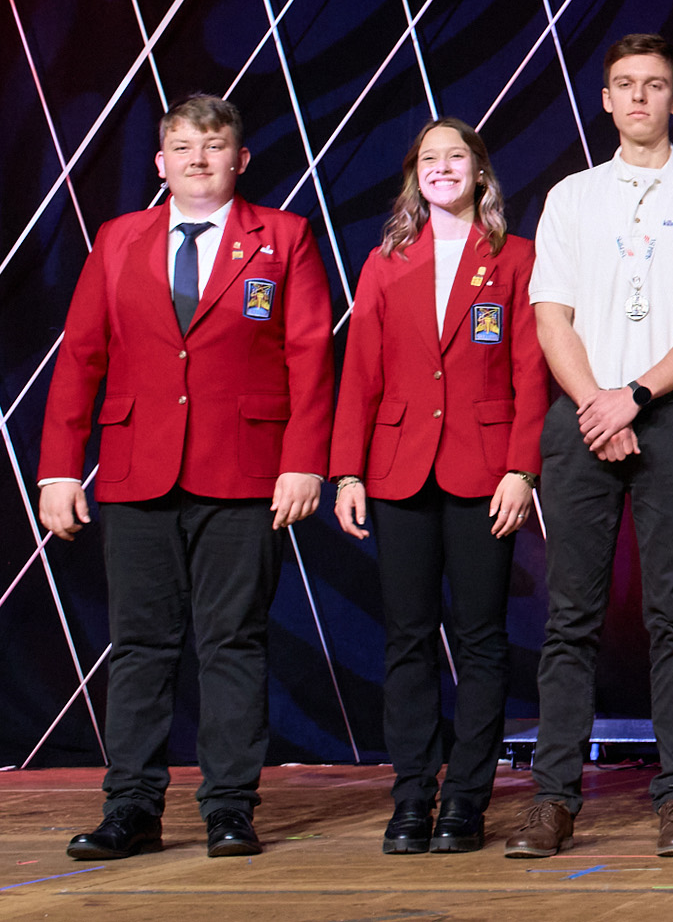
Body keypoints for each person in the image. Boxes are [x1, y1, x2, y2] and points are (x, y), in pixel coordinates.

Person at [37, 94, 333, 860]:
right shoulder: (118, 238)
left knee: (233, 642)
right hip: (139, 470)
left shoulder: (285, 237)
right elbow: (81, 358)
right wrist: (60, 469)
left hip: (245, 471)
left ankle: (229, 807)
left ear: (240, 158)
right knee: (139, 644)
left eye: (214, 144)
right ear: (162, 161)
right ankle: (131, 807)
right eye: (183, 145)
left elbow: (309, 353)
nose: (198, 157)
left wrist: (304, 459)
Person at [506, 34, 673, 860]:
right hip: (581, 421)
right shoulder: (572, 197)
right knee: (570, 616)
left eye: (655, 86)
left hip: (672, 418)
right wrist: (595, 406)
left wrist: (634, 399)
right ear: (606, 100)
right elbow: (551, 317)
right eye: (625, 85)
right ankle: (553, 798)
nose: (640, 98)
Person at [328, 118, 546, 855]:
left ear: (480, 172)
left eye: (457, 157)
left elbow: (530, 373)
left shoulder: (516, 258)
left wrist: (522, 468)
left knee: (483, 642)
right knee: (408, 640)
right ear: (415, 175)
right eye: (430, 158)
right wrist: (348, 469)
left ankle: (465, 802)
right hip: (398, 469)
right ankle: (413, 799)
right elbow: (359, 371)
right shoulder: (386, 260)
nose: (443, 168)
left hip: (485, 473)